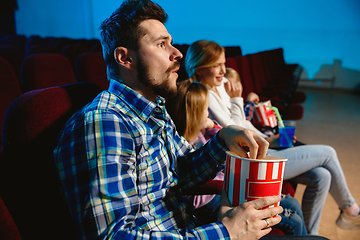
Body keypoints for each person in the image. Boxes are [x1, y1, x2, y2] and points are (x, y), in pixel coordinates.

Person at [53, 1, 285, 239]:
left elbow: (182, 172)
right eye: (161, 44)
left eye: (171, 43)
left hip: (187, 228)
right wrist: (227, 233)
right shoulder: (105, 123)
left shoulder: (154, 108)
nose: (177, 54)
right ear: (125, 58)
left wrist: (223, 140)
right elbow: (112, 235)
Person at [184, 40, 360, 235]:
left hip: (262, 145)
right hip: (251, 159)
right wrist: (236, 99)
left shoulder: (222, 85)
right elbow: (236, 131)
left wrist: (267, 138)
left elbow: (244, 122)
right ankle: (350, 209)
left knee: (322, 176)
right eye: (216, 65)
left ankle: (310, 235)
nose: (223, 71)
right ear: (199, 69)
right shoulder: (201, 95)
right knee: (328, 153)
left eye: (224, 64)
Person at [166, 79, 308, 235]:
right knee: (294, 220)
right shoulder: (185, 145)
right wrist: (226, 188)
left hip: (233, 188)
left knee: (292, 203)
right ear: (195, 115)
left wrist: (213, 125)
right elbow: (190, 195)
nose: (209, 114)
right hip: (214, 201)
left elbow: (223, 137)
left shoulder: (201, 134)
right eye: (206, 109)